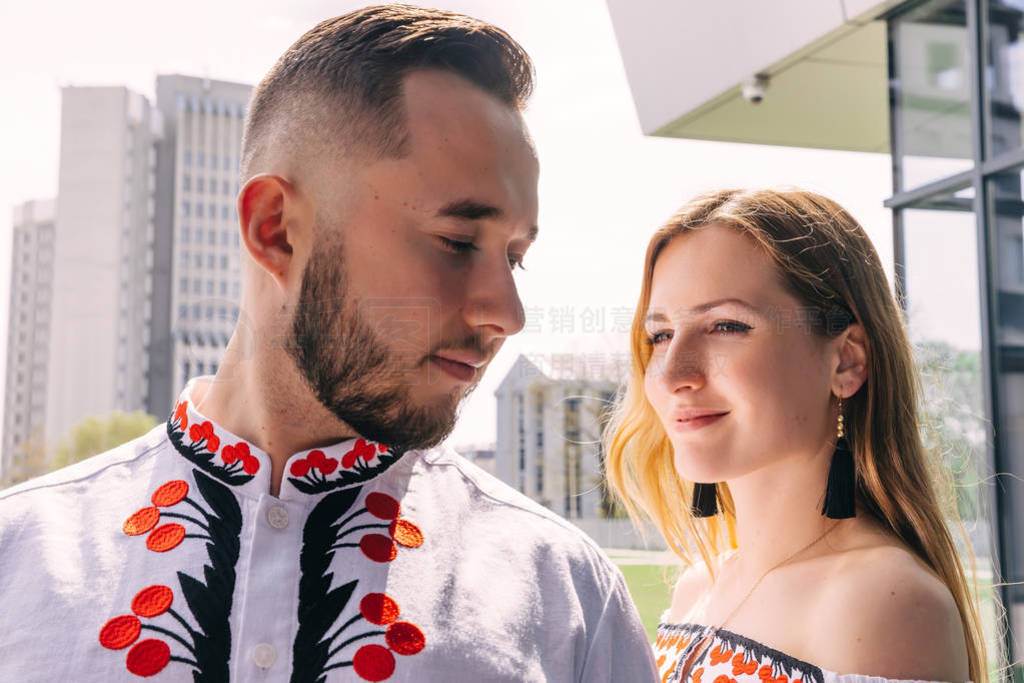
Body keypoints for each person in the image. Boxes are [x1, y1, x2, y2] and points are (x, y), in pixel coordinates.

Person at [0, 6, 657, 681]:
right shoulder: (17, 564)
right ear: (275, 230)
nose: (507, 313)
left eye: (514, 257)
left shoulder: (568, 601)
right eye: (457, 243)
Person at [605, 188, 987, 683]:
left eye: (725, 326)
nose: (673, 372)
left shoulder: (877, 600)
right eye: (660, 335)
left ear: (846, 360)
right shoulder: (698, 588)